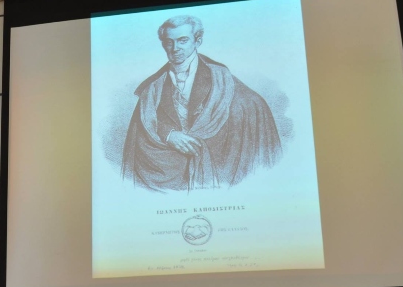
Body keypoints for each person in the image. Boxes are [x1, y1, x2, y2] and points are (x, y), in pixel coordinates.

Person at [121, 15, 282, 191]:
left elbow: (253, 105)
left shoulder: (220, 77)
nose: (175, 48)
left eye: (182, 41)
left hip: (218, 162)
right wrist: (169, 135)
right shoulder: (153, 87)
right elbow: (144, 124)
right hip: (169, 171)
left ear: (197, 41)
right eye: (169, 42)